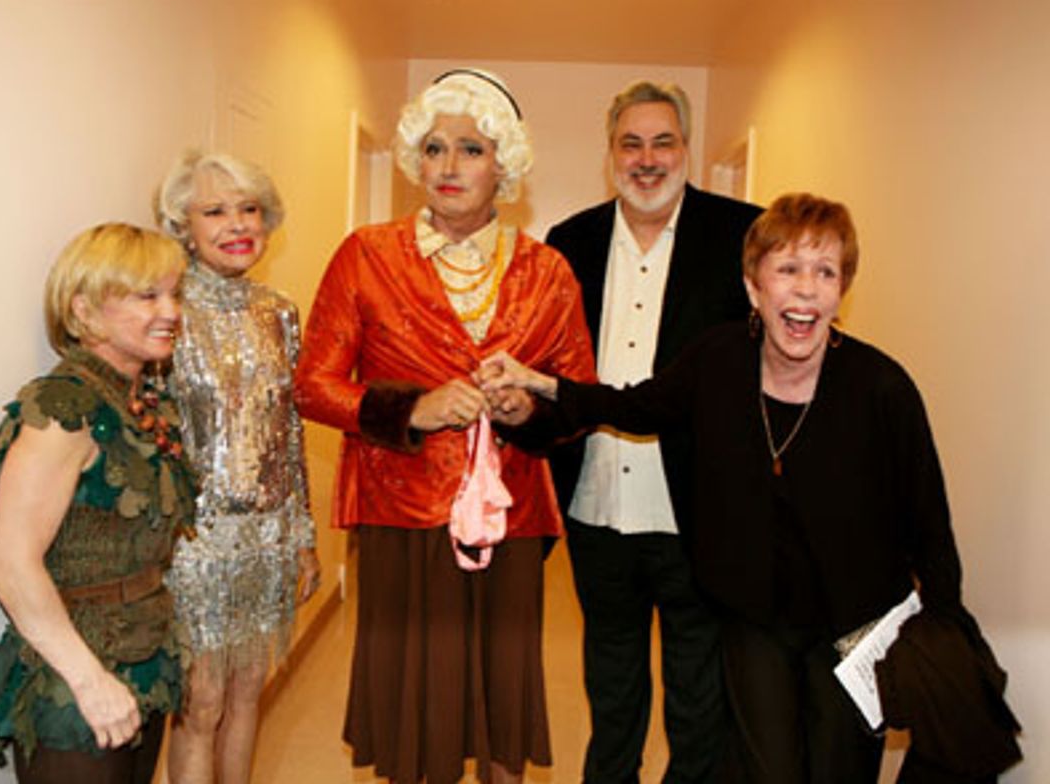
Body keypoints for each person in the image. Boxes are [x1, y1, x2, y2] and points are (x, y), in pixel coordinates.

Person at [480, 193, 969, 784]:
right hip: (753, 621)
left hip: (853, 630)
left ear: (843, 290)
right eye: (787, 269)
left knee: (838, 771)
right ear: (753, 286)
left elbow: (928, 523)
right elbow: (632, 406)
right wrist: (537, 382)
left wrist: (943, 631)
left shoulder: (881, 388)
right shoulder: (717, 360)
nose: (806, 290)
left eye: (825, 272)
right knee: (768, 771)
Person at [294, 69, 595, 784]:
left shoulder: (548, 271)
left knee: (501, 689)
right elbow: (313, 386)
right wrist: (411, 409)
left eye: (471, 149)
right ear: (413, 161)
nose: (449, 167)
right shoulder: (365, 254)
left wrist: (528, 411)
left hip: (509, 514)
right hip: (400, 511)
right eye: (433, 149)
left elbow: (577, 395)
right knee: (414, 700)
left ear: (505, 165)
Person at [543, 80, 761, 784]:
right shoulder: (568, 242)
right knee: (612, 682)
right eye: (630, 143)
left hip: (696, 508)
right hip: (595, 505)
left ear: (685, 149)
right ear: (610, 154)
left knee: (698, 694)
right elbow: (551, 368)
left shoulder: (741, 236)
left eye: (662, 141)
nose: (647, 158)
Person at [0, 223, 194, 783]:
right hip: (78, 676)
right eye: (147, 295)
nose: (170, 310)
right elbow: (12, 566)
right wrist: (90, 682)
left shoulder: (135, 400)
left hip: (143, 654)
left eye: (175, 293)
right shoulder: (64, 407)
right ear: (85, 310)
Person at [155, 151, 320, 784]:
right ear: (183, 227)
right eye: (214, 210)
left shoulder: (278, 312)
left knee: (250, 692)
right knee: (201, 703)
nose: (236, 224)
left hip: (270, 539)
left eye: (248, 208)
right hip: (193, 547)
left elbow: (291, 427)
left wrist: (303, 538)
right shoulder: (167, 312)